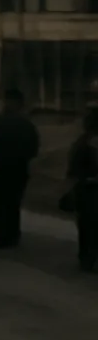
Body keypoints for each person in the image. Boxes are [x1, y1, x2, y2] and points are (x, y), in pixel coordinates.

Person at [0, 88, 39, 248]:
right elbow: (33, 150)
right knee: (13, 204)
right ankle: (12, 235)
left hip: (0, 169)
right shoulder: (27, 125)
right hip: (18, 170)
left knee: (0, 204)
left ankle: (1, 236)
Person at [66, 107, 98, 272]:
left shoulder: (82, 142)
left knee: (87, 226)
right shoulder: (84, 143)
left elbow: (73, 168)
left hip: (87, 190)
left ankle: (87, 258)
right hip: (88, 189)